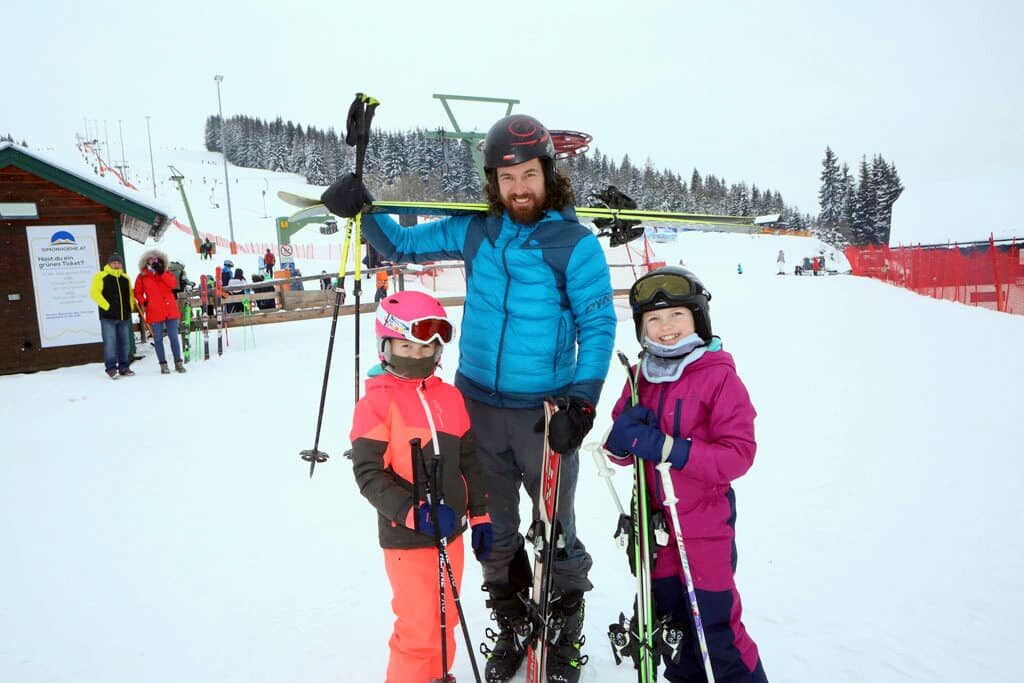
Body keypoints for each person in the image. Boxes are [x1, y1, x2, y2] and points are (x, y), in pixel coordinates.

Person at [323, 113, 616, 682]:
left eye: (528, 175)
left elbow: (598, 324)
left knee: (556, 527)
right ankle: (511, 626)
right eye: (507, 179)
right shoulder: (476, 230)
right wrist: (366, 208)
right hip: (476, 408)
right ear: (494, 181)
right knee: (495, 525)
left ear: (548, 174)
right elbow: (403, 247)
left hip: (546, 413)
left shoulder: (573, 244)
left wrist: (582, 401)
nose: (519, 189)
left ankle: (559, 636)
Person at [604, 266, 768, 683]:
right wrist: (622, 440)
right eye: (653, 319)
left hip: (704, 528)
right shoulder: (642, 375)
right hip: (655, 530)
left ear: (698, 318)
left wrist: (666, 448)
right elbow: (622, 449)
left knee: (716, 632)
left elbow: (738, 455)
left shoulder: (717, 376)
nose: (665, 328)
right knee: (672, 635)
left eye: (677, 315)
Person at [349, 291, 492, 683]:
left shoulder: (450, 397)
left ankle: (436, 677)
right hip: (407, 539)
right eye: (406, 346)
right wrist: (416, 513)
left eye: (426, 347)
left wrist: (480, 516)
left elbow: (469, 462)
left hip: (453, 535)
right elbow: (368, 474)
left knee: (446, 623)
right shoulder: (375, 405)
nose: (417, 356)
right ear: (386, 345)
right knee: (418, 630)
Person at [134, 249, 186, 374]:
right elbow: (137, 292)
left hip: (170, 310)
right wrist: (145, 302)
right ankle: (163, 365)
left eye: (155, 259)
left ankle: (178, 363)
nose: (153, 262)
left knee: (174, 337)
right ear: (146, 261)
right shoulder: (142, 276)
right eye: (151, 260)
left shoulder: (166, 272)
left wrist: (161, 272)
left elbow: (173, 284)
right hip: (154, 310)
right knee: (158, 339)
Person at [89, 253, 135, 379]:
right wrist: (107, 306)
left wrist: (130, 307)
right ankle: (111, 368)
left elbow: (130, 295)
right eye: (114, 262)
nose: (116, 265)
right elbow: (94, 293)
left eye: (118, 263)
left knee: (124, 344)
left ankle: (124, 367)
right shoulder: (101, 276)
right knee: (110, 343)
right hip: (108, 318)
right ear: (109, 264)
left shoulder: (125, 278)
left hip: (123, 317)